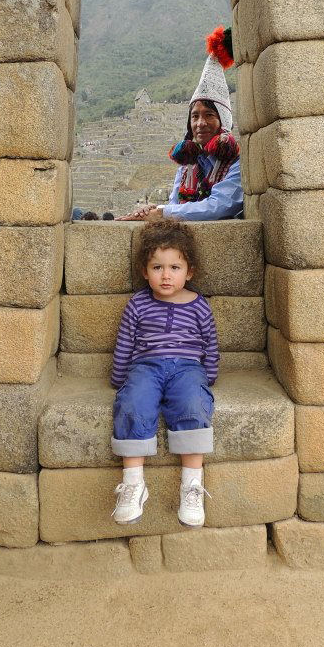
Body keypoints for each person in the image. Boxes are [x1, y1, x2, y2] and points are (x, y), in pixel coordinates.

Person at [109, 218, 219, 528]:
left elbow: (210, 344)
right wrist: (120, 380)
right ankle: (133, 484)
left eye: (174, 268)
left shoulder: (200, 307)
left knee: (192, 406)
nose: (166, 275)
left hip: (188, 369)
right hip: (146, 367)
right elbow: (125, 343)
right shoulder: (138, 305)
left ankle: (192, 485)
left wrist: (207, 377)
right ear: (145, 272)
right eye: (157, 268)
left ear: (189, 271)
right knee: (132, 403)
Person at [116, 25, 243, 221]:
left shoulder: (236, 162)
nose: (200, 123)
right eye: (195, 116)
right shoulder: (187, 166)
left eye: (209, 115)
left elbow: (221, 205)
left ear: (223, 120)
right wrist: (155, 209)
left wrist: (162, 211)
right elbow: (176, 206)